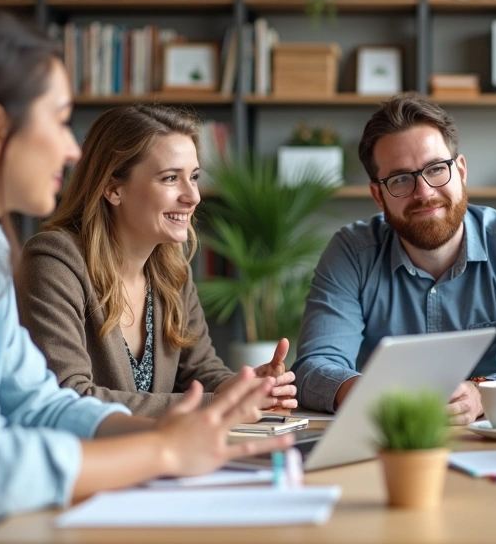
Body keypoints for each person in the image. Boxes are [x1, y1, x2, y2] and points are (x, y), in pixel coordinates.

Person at [0, 12, 289, 544]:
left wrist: (183, 433)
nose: (72, 150)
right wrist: (162, 450)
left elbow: (38, 404)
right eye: (60, 121)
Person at [292, 94, 496, 423]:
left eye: (436, 169)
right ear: (378, 196)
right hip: (389, 433)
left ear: (461, 171)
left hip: (488, 433)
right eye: (400, 179)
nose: (424, 192)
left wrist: (481, 392)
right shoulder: (351, 253)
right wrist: (371, 392)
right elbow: (314, 367)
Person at [17, 105, 296, 418]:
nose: (193, 196)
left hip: (160, 447)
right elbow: (70, 397)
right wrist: (221, 402)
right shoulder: (54, 263)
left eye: (194, 177)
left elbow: (200, 372)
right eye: (170, 178)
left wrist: (244, 387)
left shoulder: (172, 272)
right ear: (113, 189)